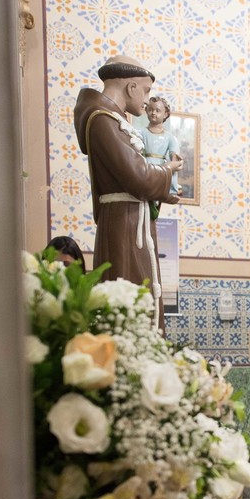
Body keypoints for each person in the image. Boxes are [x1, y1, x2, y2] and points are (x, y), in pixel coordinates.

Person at [73, 55, 182, 327]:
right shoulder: (103, 119)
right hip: (124, 223)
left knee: (139, 299)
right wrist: (167, 171)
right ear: (131, 87)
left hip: (132, 218)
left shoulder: (114, 120)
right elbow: (139, 176)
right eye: (146, 90)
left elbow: (137, 174)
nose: (147, 100)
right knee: (129, 304)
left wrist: (163, 191)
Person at [141, 96, 182, 199]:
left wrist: (175, 162)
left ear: (165, 114)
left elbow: (174, 156)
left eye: (157, 110)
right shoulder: (141, 133)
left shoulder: (169, 137)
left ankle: (171, 190)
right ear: (146, 111)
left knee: (172, 167)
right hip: (146, 166)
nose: (153, 113)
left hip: (162, 168)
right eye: (150, 110)